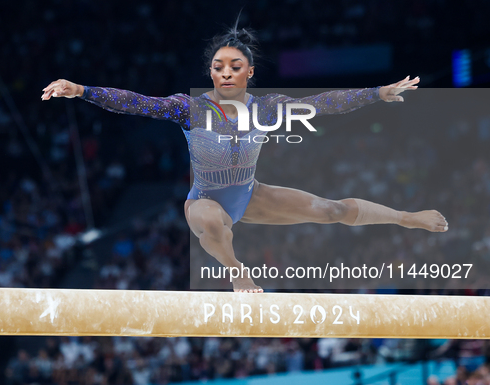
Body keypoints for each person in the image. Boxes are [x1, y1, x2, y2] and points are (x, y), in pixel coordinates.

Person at [41, 24, 448, 293]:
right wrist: (82, 90)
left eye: (236, 66)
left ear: (249, 72)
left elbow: (322, 102)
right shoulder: (190, 109)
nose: (226, 72)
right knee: (212, 222)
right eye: (218, 67)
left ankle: (406, 217)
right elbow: (137, 103)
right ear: (211, 74)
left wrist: (376, 92)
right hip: (205, 199)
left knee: (332, 210)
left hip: (251, 194)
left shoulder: (268, 108)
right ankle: (237, 271)